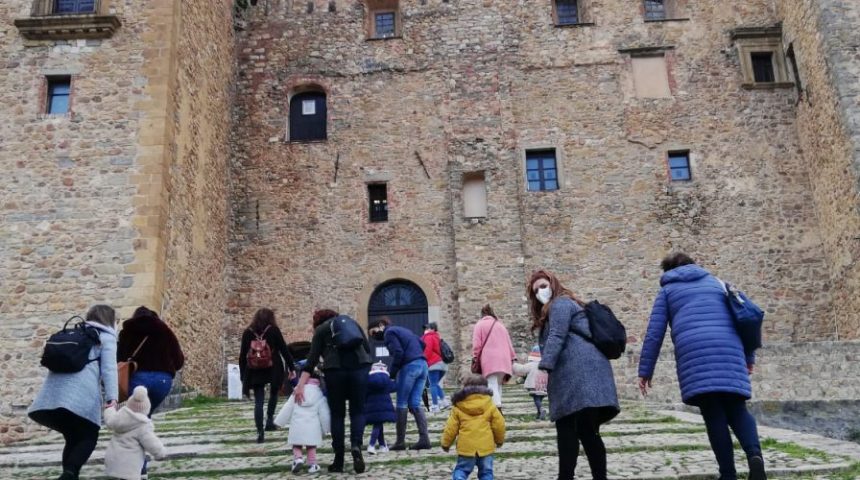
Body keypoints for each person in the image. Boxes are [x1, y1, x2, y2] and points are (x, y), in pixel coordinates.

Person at [638, 253, 767, 480]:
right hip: (729, 350)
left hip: (695, 355)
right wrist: (748, 358)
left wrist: (645, 371)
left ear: (667, 271)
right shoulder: (718, 283)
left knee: (713, 413)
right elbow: (746, 320)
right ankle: (754, 455)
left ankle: (728, 474)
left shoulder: (667, 291)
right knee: (738, 408)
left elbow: (654, 334)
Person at [528, 270, 620, 480]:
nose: (541, 292)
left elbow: (557, 335)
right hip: (582, 376)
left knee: (571, 429)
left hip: (581, 376)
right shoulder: (564, 305)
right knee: (585, 431)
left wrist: (544, 367)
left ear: (553, 283)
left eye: (543, 286)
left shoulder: (560, 304)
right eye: (536, 291)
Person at [28, 305, 119, 480]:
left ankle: (70, 475)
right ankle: (69, 475)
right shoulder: (106, 338)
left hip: (53, 396)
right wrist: (112, 398)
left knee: (73, 436)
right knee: (90, 435)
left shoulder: (74, 333)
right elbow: (109, 370)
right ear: (109, 320)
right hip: (80, 395)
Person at [294, 309, 373, 474]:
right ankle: (356, 446)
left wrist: (300, 385)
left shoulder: (321, 330)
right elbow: (367, 348)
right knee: (357, 412)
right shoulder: (352, 323)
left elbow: (311, 360)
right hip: (359, 368)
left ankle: (338, 460)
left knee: (338, 415)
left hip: (335, 372)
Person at [116, 306, 184, 478]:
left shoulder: (127, 331)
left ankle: (139, 468)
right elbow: (179, 360)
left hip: (138, 380)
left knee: (136, 423)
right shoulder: (164, 330)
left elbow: (119, 359)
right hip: (162, 381)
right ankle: (140, 465)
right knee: (143, 420)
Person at [367, 317, 431, 451]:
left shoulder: (389, 333)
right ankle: (424, 439)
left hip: (409, 366)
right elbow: (422, 344)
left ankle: (400, 441)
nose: (373, 337)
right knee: (415, 403)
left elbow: (398, 352)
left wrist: (392, 373)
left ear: (380, 325)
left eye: (373, 333)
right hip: (423, 365)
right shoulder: (403, 330)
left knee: (401, 403)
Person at [238, 308, 296, 443]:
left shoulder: (248, 332)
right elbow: (283, 349)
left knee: (259, 400)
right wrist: (291, 367)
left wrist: (243, 375)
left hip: (254, 369)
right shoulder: (274, 330)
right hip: (273, 367)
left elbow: (242, 356)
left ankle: (260, 432)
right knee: (274, 392)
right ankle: (269, 420)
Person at [441, 375, 506, 480]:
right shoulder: (490, 405)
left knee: (461, 470)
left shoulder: (458, 407)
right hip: (486, 447)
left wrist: (446, 444)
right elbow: (499, 425)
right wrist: (499, 441)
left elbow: (450, 428)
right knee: (486, 473)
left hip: (466, 448)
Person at [103, 386, 166, 480]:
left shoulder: (120, 416)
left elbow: (109, 419)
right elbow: (151, 443)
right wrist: (160, 453)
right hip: (130, 464)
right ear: (146, 408)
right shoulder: (143, 425)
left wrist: (109, 409)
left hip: (114, 460)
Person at [274, 370, 331, 474]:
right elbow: (324, 412)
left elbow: (288, 407)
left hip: (297, 425)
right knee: (311, 445)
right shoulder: (319, 394)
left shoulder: (297, 391)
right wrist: (327, 428)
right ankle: (312, 464)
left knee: (296, 444)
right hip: (312, 427)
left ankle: (298, 459)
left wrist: (279, 422)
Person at [471, 305, 516, 408]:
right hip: (504, 359)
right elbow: (509, 343)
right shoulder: (500, 325)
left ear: (482, 314)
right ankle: (498, 405)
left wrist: (475, 356)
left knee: (491, 383)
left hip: (489, 359)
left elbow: (477, 344)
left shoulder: (480, 325)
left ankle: (497, 407)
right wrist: (513, 357)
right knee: (498, 384)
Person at [363, 362, 397, 454]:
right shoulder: (387, 380)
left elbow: (364, 393)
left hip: (371, 407)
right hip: (384, 407)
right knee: (377, 425)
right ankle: (371, 445)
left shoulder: (367, 380)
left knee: (378, 424)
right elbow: (394, 387)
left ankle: (382, 445)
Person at [512, 346, 548, 420]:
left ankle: (541, 409)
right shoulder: (545, 365)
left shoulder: (532, 365)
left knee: (536, 400)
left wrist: (513, 365)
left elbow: (522, 369)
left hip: (534, 385)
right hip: (543, 386)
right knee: (539, 399)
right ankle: (539, 414)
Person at [422, 322, 450, 413]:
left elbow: (428, 351)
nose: (426, 330)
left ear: (433, 329)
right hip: (442, 364)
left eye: (428, 328)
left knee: (433, 385)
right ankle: (445, 402)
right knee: (435, 384)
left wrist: (423, 359)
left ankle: (435, 405)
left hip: (434, 363)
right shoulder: (437, 337)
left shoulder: (429, 337)